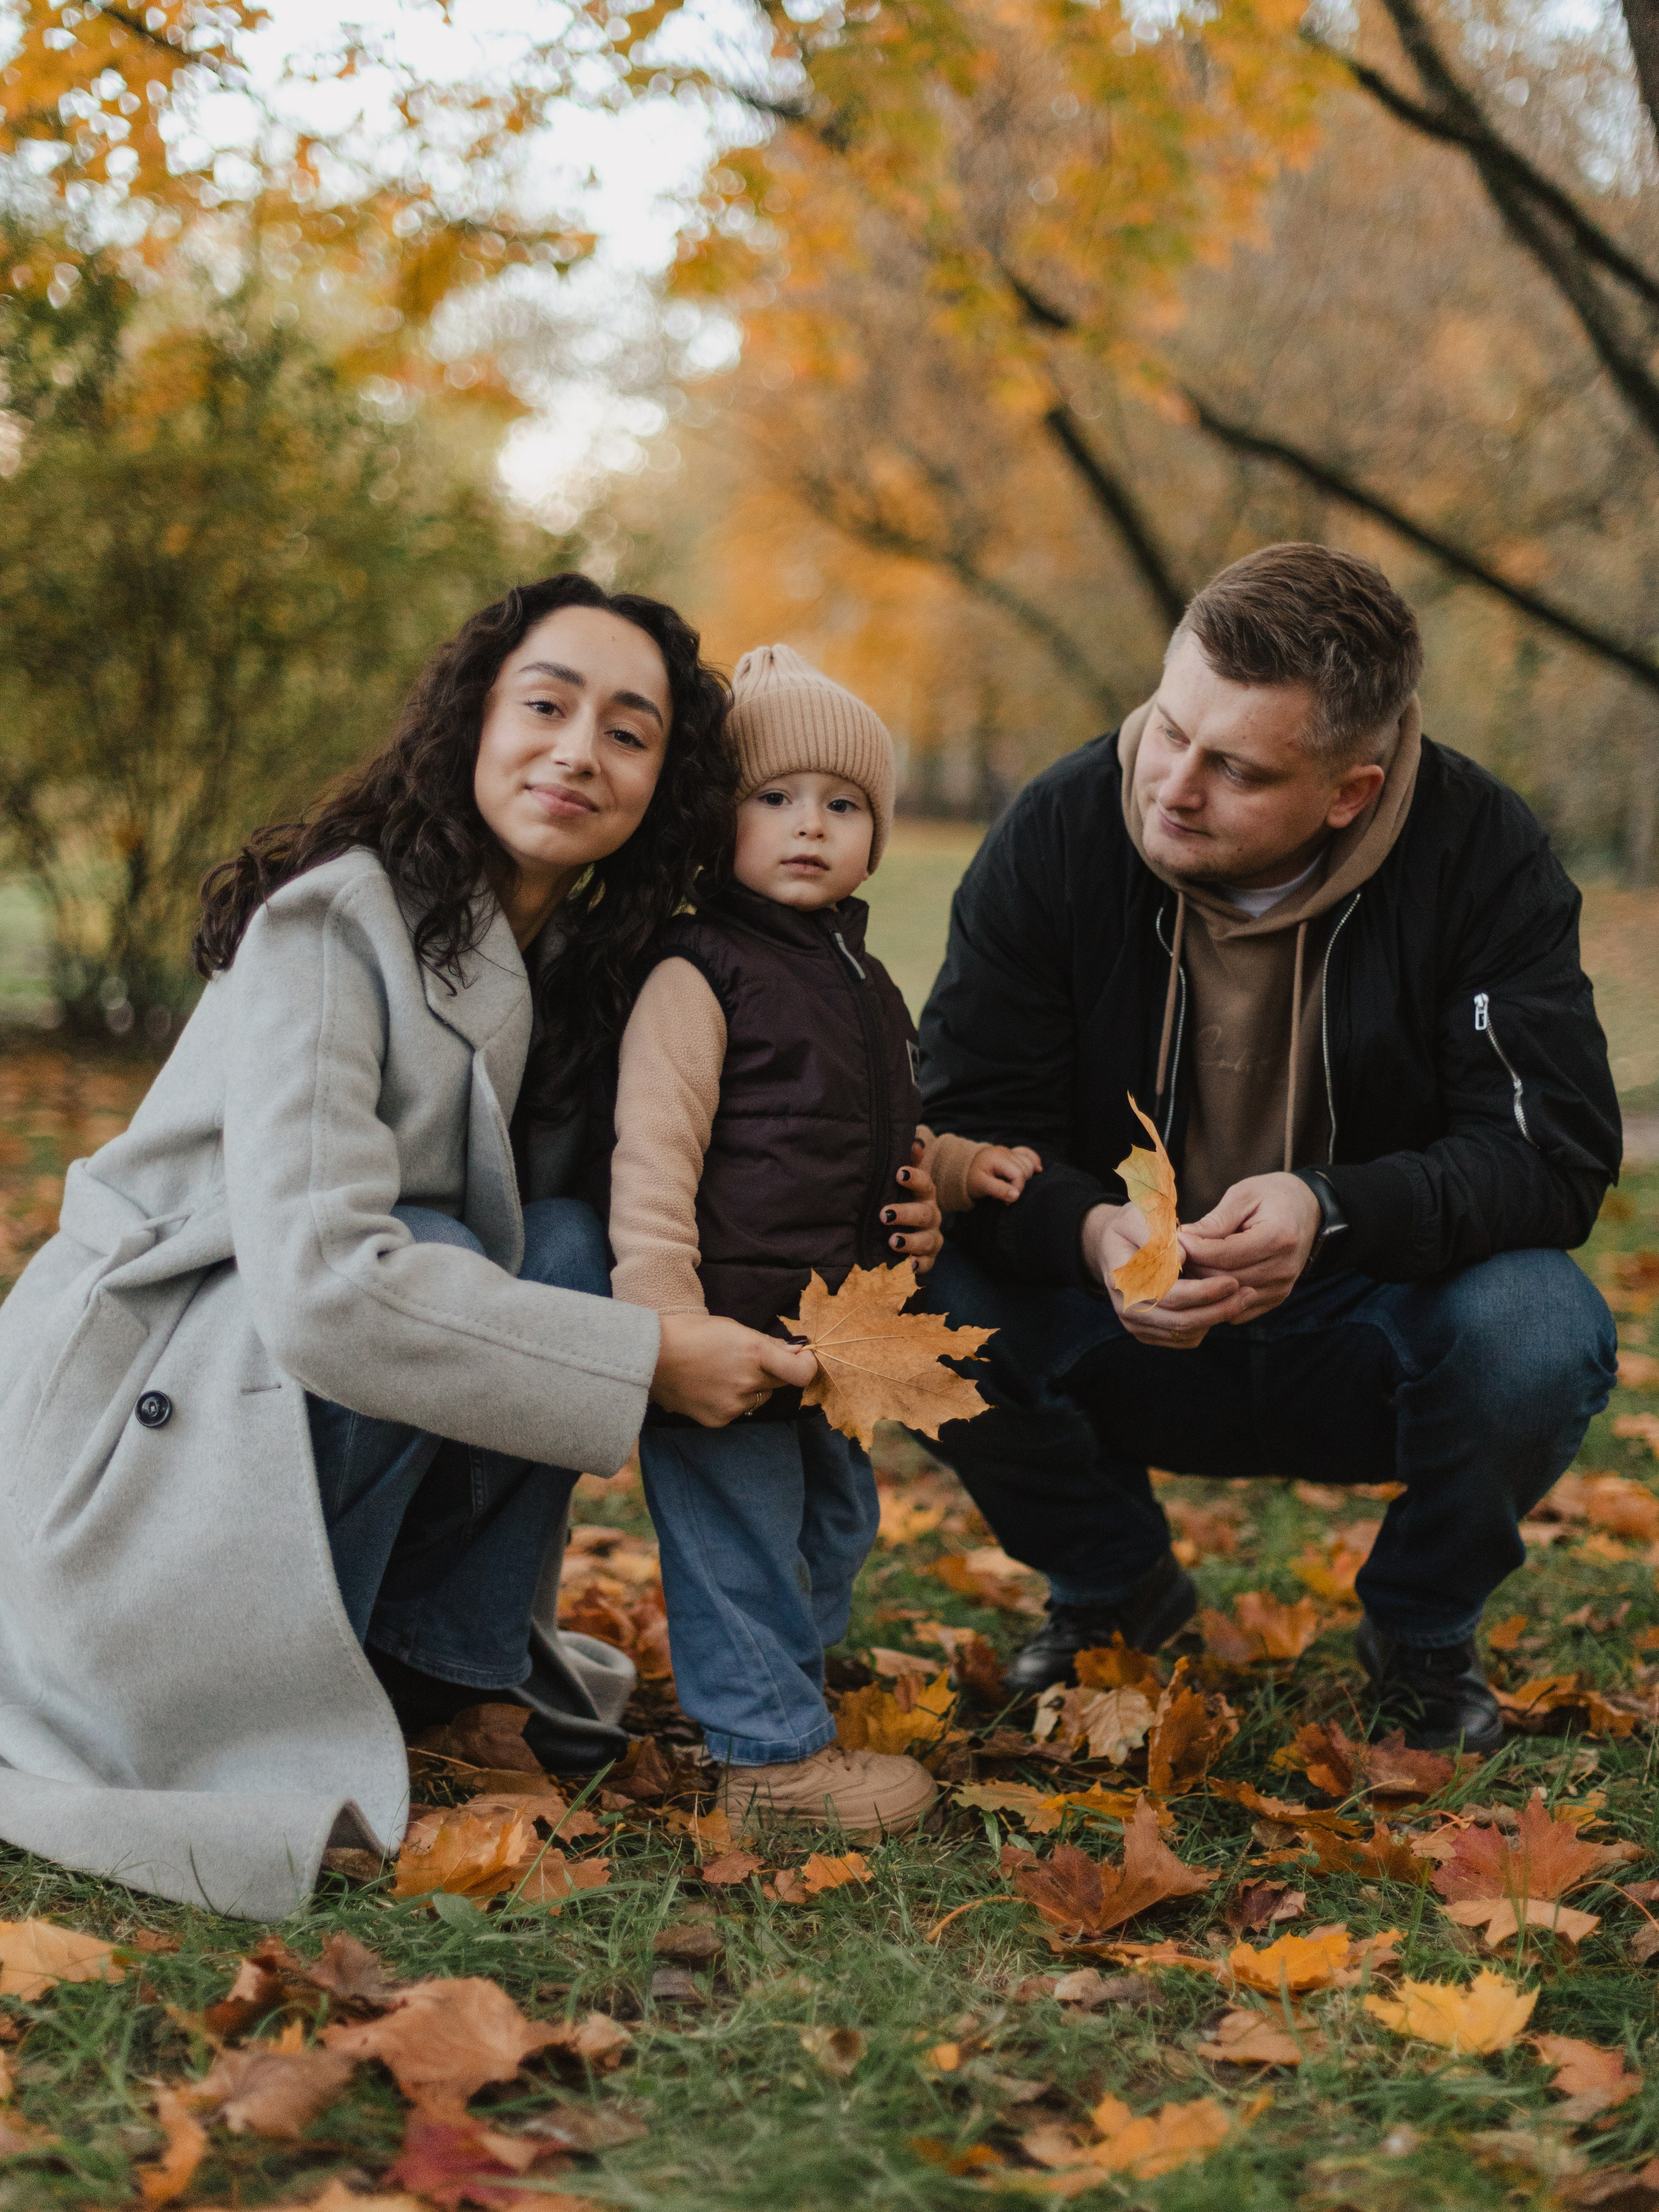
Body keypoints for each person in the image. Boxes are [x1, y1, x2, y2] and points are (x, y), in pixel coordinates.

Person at [0, 576, 942, 1920]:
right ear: (469, 724)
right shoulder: (333, 925)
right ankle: (381, 1670)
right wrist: (647, 1360)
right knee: (488, 1252)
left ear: (665, 783)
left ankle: (444, 1680)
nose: (577, 750)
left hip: (281, 1405)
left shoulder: (590, 958)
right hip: (152, 1432)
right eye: (545, 705)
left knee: (556, 1241)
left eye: (628, 730)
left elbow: (688, 1169)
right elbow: (327, 1288)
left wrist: (901, 1195)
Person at [918, 543, 1621, 1754]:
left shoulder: (1478, 852)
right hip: (1109, 1314)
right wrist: (1088, 1230)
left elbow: (1550, 1151)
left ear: (1349, 790)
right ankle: (1112, 1589)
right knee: (915, 1278)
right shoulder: (1061, 828)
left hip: (1369, 1314)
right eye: (1169, 726)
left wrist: (1331, 1210)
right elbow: (967, 1115)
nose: (1172, 785)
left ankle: (1420, 1630)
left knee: (1541, 1326)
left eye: (1235, 768)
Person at [607, 644, 1038, 1835]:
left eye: (842, 805)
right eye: (775, 799)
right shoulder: (700, 976)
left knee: (837, 1518)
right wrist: (664, 1313)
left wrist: (956, 1166)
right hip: (728, 1335)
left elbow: (882, 1117)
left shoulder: (863, 975)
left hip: (833, 1340)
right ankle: (769, 1763)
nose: (812, 826)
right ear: (716, 822)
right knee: (741, 1534)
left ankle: (779, 1686)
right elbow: (654, 1154)